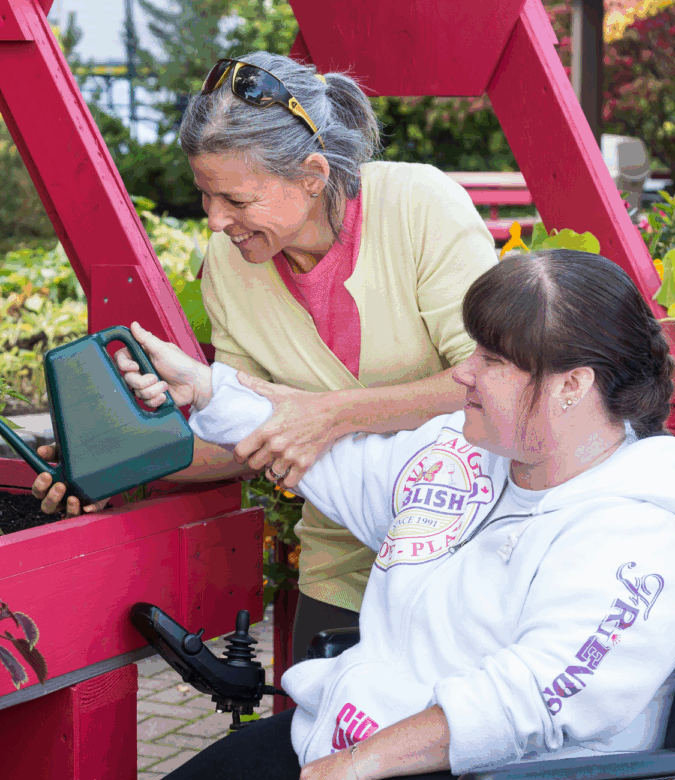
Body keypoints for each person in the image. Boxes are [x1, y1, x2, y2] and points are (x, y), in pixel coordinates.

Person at [122, 249, 675, 780]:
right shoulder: (473, 454)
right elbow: (341, 465)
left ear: (573, 385)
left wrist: (364, 761)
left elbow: (528, 702)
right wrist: (210, 393)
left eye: (495, 360)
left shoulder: (645, 535)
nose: (463, 373)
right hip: (397, 737)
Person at [32, 51, 498, 662]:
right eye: (205, 196)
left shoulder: (418, 206)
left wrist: (330, 415)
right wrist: (115, 462)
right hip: (344, 565)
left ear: (312, 174)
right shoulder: (231, 264)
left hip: (468, 551)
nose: (217, 220)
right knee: (316, 744)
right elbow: (243, 434)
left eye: (236, 200)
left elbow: (490, 378)